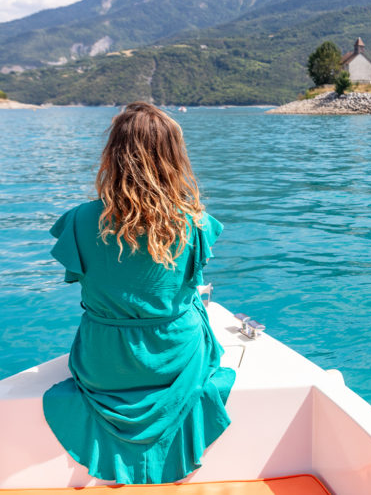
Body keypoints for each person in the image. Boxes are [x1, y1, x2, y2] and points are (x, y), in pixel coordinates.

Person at [43, 102, 235, 484]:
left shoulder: (79, 221)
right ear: (174, 157)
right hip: (174, 359)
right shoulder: (196, 223)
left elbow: (85, 282)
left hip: (104, 364)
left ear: (112, 155)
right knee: (194, 307)